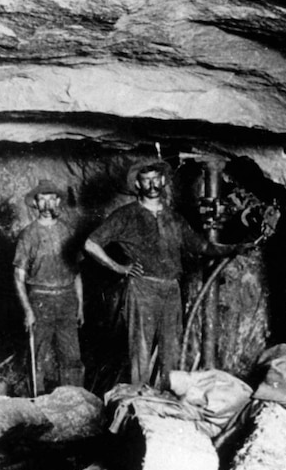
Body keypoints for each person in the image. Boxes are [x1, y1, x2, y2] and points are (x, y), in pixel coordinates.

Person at [84, 159, 238, 387]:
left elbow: (202, 246)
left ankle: (168, 400)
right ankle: (139, 399)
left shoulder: (174, 218)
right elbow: (90, 244)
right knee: (141, 351)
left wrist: (234, 247)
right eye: (146, 180)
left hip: (171, 289)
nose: (152, 184)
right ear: (138, 184)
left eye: (156, 178)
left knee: (171, 350)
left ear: (163, 180)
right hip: (143, 288)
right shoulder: (126, 214)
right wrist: (119, 267)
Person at [13, 179, 84, 394]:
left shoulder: (69, 231)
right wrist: (27, 310)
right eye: (41, 199)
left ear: (58, 201)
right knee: (38, 356)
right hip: (40, 299)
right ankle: (38, 403)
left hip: (66, 298)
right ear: (35, 203)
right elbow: (18, 276)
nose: (46, 204)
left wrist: (80, 306)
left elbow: (77, 273)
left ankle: (75, 401)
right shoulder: (28, 234)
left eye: (51, 198)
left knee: (71, 356)